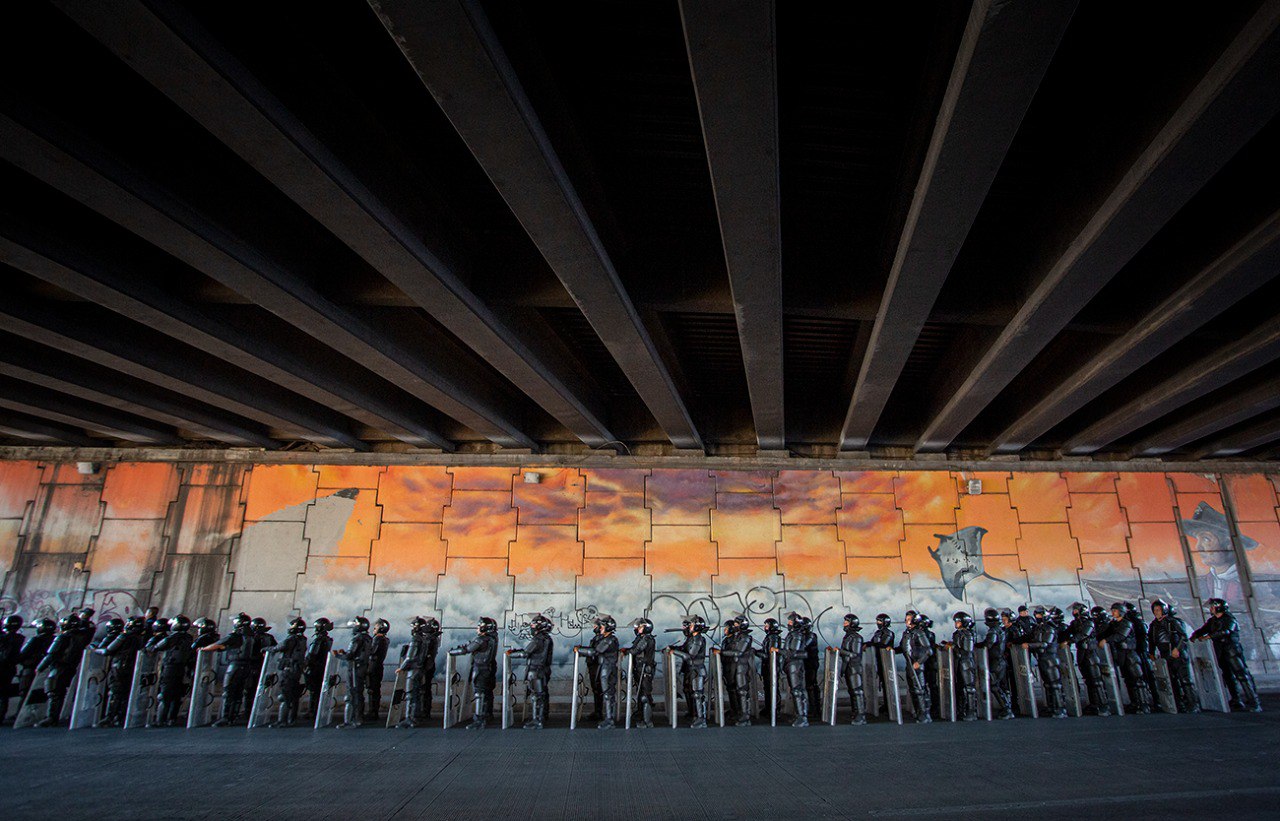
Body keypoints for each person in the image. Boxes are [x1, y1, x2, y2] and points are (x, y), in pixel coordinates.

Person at [1191, 598, 1261, 712]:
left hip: (1232, 651)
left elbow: (1226, 631)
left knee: (1242, 675)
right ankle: (1236, 699)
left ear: (1219, 608)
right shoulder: (1213, 621)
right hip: (1220, 651)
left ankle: (1254, 702)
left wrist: (1209, 636)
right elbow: (1203, 629)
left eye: (1213, 607)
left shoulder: (1229, 619)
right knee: (1228, 676)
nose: (1211, 609)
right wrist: (1195, 635)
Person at [35, 614, 91, 727]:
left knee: (54, 692)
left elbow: (51, 654)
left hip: (59, 666)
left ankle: (51, 717)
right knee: (60, 692)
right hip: (71, 667)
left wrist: (40, 667)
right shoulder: (82, 637)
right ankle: (54, 716)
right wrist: (85, 619)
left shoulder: (62, 637)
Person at [202, 612, 255, 727]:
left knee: (228, 692)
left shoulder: (235, 636)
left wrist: (203, 649)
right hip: (246, 666)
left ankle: (226, 717)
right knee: (238, 693)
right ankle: (233, 716)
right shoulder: (251, 636)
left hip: (235, 666)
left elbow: (217, 644)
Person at [1098, 602, 1152, 714]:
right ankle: (1134, 703)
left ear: (1121, 612)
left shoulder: (1126, 623)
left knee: (1138, 680)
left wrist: (1106, 640)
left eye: (1115, 610)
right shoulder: (1113, 624)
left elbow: (1121, 636)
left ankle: (1143, 704)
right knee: (1128, 681)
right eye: (1112, 610)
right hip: (1121, 655)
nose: (1113, 612)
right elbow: (1104, 633)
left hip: (1130, 655)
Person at [1149, 599, 1200, 714]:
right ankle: (1178, 704)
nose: (1156, 612)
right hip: (1164, 656)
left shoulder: (1173, 622)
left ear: (1164, 610)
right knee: (1171, 681)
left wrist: (1177, 649)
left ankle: (1193, 704)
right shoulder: (1153, 625)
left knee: (1185, 680)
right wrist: (1151, 652)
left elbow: (1183, 636)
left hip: (1178, 655)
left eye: (1158, 610)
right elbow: (1151, 640)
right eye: (1155, 610)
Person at [449, 616, 499, 729]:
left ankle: (479, 719)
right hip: (489, 668)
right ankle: (487, 715)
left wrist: (452, 652)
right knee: (487, 693)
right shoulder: (493, 638)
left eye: (479, 626)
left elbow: (466, 649)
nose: (477, 628)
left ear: (484, 628)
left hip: (481, 669)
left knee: (479, 693)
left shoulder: (481, 639)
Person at [96, 615, 146, 727]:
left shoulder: (124, 637)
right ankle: (121, 717)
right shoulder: (139, 638)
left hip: (118, 667)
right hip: (132, 668)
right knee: (125, 693)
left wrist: (96, 650)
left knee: (115, 692)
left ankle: (110, 716)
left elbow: (108, 650)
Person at [508, 614, 553, 729]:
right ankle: (540, 717)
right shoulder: (547, 638)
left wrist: (510, 654)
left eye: (533, 625)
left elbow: (525, 653)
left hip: (535, 670)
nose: (531, 628)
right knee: (541, 695)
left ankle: (537, 720)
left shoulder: (538, 639)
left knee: (536, 696)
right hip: (543, 670)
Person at [1065, 602, 1111, 716]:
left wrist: (1070, 641)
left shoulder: (1089, 622)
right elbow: (1067, 632)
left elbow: (1083, 634)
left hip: (1090, 652)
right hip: (1082, 652)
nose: (1074, 612)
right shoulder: (1075, 623)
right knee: (1088, 680)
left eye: (1076, 610)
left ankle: (1103, 704)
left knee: (1096, 680)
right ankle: (1094, 704)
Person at [149, 614, 195, 727]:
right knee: (176, 695)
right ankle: (172, 718)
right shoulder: (188, 638)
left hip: (170, 668)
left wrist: (152, 645)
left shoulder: (172, 638)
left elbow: (155, 647)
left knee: (165, 695)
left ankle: (160, 720)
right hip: (182, 668)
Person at [395, 616, 440, 728]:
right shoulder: (425, 639)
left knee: (410, 694)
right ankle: (416, 716)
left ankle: (410, 718)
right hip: (420, 669)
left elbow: (410, 657)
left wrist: (402, 667)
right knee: (417, 693)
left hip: (414, 669)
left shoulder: (416, 639)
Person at [264, 617, 308, 727]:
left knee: (284, 696)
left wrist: (265, 649)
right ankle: (291, 719)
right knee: (293, 696)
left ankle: (282, 721)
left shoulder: (291, 639)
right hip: (296, 670)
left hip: (288, 670)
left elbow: (278, 647)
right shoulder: (303, 639)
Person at [668, 614, 710, 728]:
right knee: (689, 692)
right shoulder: (691, 638)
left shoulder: (698, 639)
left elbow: (689, 656)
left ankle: (701, 719)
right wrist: (674, 648)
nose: (689, 627)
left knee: (697, 694)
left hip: (697, 670)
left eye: (691, 625)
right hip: (691, 669)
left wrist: (674, 652)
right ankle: (694, 714)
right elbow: (684, 648)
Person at [1026, 605, 1067, 719]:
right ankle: (1051, 706)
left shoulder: (1049, 629)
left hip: (1050, 658)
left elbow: (1045, 643)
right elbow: (1031, 638)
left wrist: (1029, 645)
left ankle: (1060, 708)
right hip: (1042, 658)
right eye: (1036, 614)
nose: (1037, 616)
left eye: (1039, 614)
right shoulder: (1039, 628)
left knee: (1055, 685)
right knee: (1048, 684)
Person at [334, 616, 373, 728]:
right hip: (362, 669)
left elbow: (350, 655)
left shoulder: (356, 639)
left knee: (350, 696)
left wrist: (338, 655)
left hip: (354, 670)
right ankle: (359, 718)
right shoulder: (368, 638)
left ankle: (350, 720)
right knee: (359, 694)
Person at [976, 608, 1013, 720]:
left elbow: (988, 644)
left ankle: (1006, 708)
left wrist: (978, 646)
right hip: (1000, 661)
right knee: (999, 686)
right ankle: (1007, 707)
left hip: (995, 662)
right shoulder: (1000, 630)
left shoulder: (993, 631)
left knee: (994, 686)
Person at [897, 609, 933, 723]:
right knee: (913, 690)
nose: (907, 621)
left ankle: (924, 714)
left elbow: (928, 651)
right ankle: (918, 712)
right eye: (906, 619)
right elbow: (902, 648)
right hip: (909, 665)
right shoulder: (907, 634)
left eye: (909, 619)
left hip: (917, 666)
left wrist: (919, 662)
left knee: (920, 690)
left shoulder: (919, 633)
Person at [719, 614, 755, 726]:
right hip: (735, 667)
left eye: (736, 623)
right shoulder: (737, 637)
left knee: (742, 691)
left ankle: (745, 716)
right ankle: (737, 712)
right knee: (735, 690)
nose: (734, 625)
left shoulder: (745, 637)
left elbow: (739, 652)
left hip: (741, 667)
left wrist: (721, 652)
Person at [16, 618, 56, 707]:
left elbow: (22, 654)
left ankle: (20, 712)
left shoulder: (35, 639)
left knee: (25, 694)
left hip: (31, 669)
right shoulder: (55, 639)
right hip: (49, 670)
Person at [625, 617, 657, 728]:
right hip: (640, 669)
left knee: (645, 695)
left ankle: (647, 721)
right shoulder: (642, 638)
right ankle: (641, 715)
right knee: (641, 693)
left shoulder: (646, 639)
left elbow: (636, 650)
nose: (637, 628)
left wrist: (626, 651)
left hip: (645, 669)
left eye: (640, 627)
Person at [835, 613, 867, 725]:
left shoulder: (857, 638)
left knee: (857, 691)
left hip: (854, 667)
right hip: (848, 667)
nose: (844, 623)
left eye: (847, 621)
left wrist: (840, 651)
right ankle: (855, 712)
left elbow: (855, 654)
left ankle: (861, 715)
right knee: (852, 691)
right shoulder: (848, 637)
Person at [780, 612, 810, 727]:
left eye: (790, 622)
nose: (788, 624)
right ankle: (799, 715)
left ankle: (802, 716)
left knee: (797, 690)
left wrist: (778, 651)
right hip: (791, 664)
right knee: (796, 690)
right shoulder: (793, 634)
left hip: (795, 664)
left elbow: (793, 652)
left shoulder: (796, 635)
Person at [948, 611, 978, 721]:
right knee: (960, 687)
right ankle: (961, 710)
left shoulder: (967, 634)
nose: (956, 623)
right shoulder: (957, 634)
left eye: (958, 621)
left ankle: (971, 711)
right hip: (959, 663)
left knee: (969, 688)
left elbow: (966, 651)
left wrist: (953, 647)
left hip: (966, 663)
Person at [305, 617, 333, 718]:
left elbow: (311, 655)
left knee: (314, 691)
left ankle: (312, 711)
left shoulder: (318, 640)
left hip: (315, 668)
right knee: (318, 691)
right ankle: (317, 710)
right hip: (322, 668)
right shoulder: (328, 639)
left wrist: (305, 665)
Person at [868, 613, 895, 717]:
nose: (877, 623)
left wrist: (870, 644)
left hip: (886, 661)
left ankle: (890, 704)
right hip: (878, 659)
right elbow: (873, 642)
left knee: (888, 683)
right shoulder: (877, 633)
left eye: (879, 621)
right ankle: (886, 703)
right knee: (883, 683)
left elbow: (883, 644)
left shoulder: (888, 633)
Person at [755, 617, 782, 716]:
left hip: (771, 666)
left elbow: (769, 654)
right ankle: (769, 708)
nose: (765, 628)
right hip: (768, 666)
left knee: (772, 688)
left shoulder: (773, 638)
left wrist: (756, 652)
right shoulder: (770, 637)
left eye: (766, 626)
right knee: (768, 688)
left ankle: (774, 710)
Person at [0, 615, 24, 725]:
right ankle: (1, 714)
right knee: (4, 694)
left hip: (2, 666)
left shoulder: (5, 638)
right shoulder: (19, 638)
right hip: (10, 668)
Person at [366, 618, 391, 722]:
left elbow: (371, 651)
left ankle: (373, 712)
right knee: (375, 689)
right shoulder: (385, 639)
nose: (374, 629)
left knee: (372, 689)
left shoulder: (377, 639)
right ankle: (373, 711)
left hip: (373, 666)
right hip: (379, 666)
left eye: (375, 627)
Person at [918, 613, 940, 719]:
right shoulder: (929, 634)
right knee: (931, 686)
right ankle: (933, 707)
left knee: (929, 686)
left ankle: (932, 707)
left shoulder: (925, 635)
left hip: (928, 664)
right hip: (930, 663)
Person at [584, 618, 603, 721]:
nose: (594, 627)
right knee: (596, 690)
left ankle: (599, 713)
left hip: (598, 667)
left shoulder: (602, 639)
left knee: (599, 690)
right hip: (593, 666)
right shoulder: (596, 638)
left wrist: (582, 650)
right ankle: (597, 711)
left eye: (596, 625)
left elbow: (595, 651)